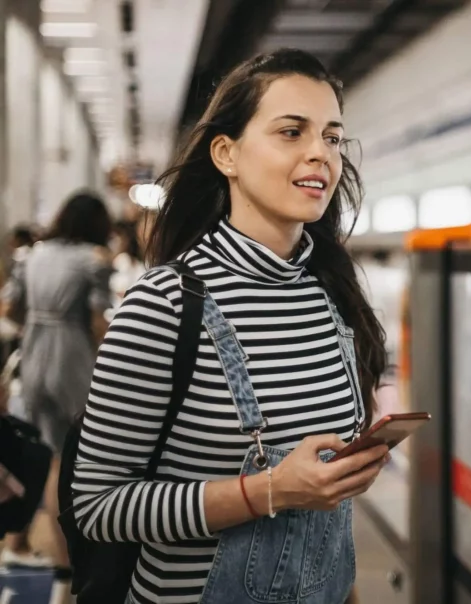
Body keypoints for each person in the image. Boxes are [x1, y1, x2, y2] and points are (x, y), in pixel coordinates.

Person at [70, 49, 388, 604]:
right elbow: (99, 507)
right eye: (291, 132)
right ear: (227, 154)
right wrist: (269, 491)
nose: (320, 154)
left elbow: (328, 517)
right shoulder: (166, 303)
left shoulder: (333, 297)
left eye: (333, 138)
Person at [0, 192, 113, 598]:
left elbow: (9, 309)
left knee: (37, 449)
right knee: (64, 461)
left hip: (34, 353)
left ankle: (16, 542)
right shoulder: (94, 261)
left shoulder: (32, 256)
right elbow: (100, 323)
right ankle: (66, 560)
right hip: (72, 358)